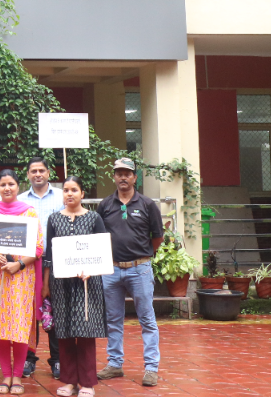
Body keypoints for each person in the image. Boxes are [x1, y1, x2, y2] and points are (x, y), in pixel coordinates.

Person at [96, 158, 164, 388]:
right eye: (119, 173)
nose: (123, 177)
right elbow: (98, 237)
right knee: (113, 319)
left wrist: (142, 256)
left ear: (135, 177)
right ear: (114, 177)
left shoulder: (147, 204)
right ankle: (115, 364)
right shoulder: (105, 205)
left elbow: (158, 237)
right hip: (111, 270)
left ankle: (151, 368)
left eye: (128, 173)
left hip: (140, 269)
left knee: (147, 318)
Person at [0, 169, 42, 395]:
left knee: (19, 327)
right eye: (3, 184)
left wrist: (19, 264)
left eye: (11, 184)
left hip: (21, 276)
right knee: (1, 326)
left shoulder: (29, 213)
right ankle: (5, 375)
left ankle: (17, 376)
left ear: (18, 186)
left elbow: (39, 248)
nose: (7, 188)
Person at [43, 176, 107, 397]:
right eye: (66, 190)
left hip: (87, 283)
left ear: (82, 194)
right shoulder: (53, 219)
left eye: (74, 190)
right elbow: (49, 255)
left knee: (86, 330)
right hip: (60, 283)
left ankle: (87, 382)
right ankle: (70, 381)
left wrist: (92, 269)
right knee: (65, 331)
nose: (69, 194)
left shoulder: (94, 218)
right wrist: (45, 284)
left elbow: (102, 251)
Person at [20, 156, 65, 380]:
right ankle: (28, 359)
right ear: (28, 175)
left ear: (49, 173)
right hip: (28, 263)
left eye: (41, 170)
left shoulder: (61, 196)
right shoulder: (20, 200)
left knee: (55, 311)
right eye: (33, 171)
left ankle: (57, 360)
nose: (37, 174)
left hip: (57, 261)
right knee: (29, 314)